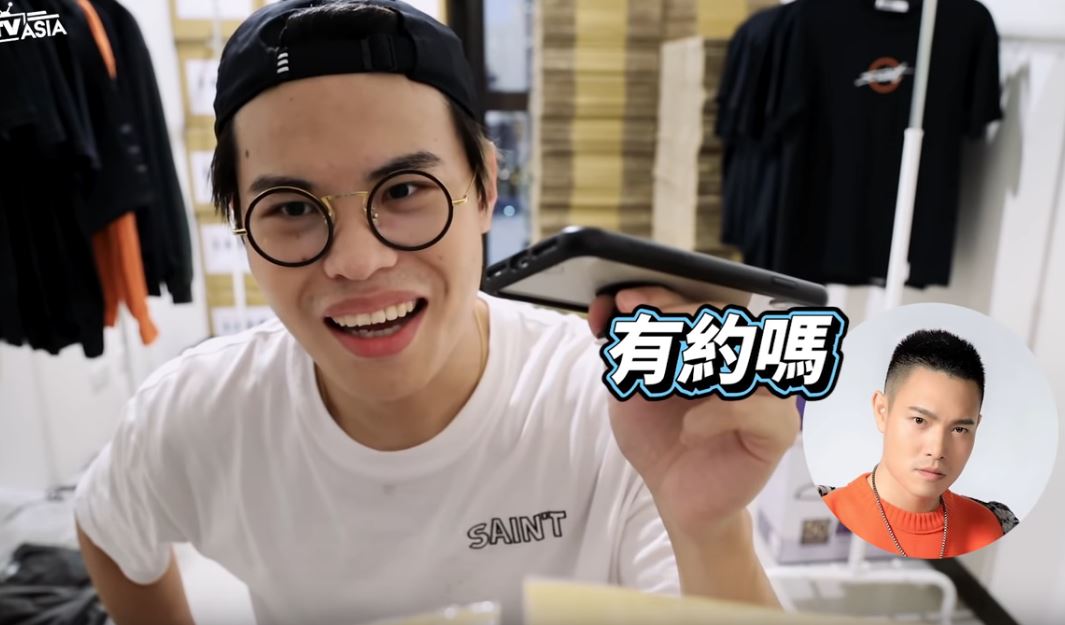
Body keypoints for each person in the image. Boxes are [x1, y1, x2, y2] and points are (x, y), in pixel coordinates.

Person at [73, 2, 799, 624]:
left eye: (403, 191)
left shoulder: (618, 408)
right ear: (240, 226)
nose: (356, 261)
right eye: (291, 209)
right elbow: (107, 527)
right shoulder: (200, 412)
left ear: (484, 188)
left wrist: (711, 533)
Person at [820, 329, 1017, 559]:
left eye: (959, 429)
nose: (937, 450)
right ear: (882, 411)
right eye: (919, 420)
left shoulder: (996, 527)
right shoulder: (818, 514)